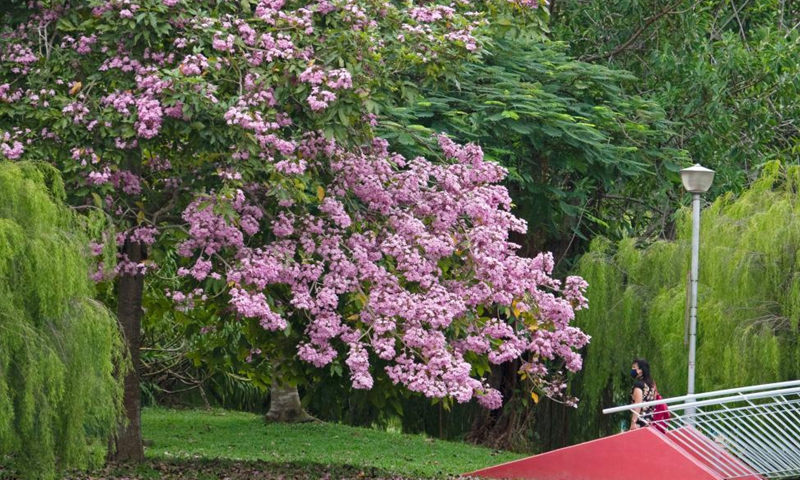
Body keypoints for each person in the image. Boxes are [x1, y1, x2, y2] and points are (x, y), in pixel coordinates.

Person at [629, 358, 657, 430]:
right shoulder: (652, 384)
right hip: (650, 421)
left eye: (634, 367)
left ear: (641, 370)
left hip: (640, 421)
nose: (632, 369)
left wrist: (633, 422)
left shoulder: (639, 385)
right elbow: (654, 400)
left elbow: (638, 404)